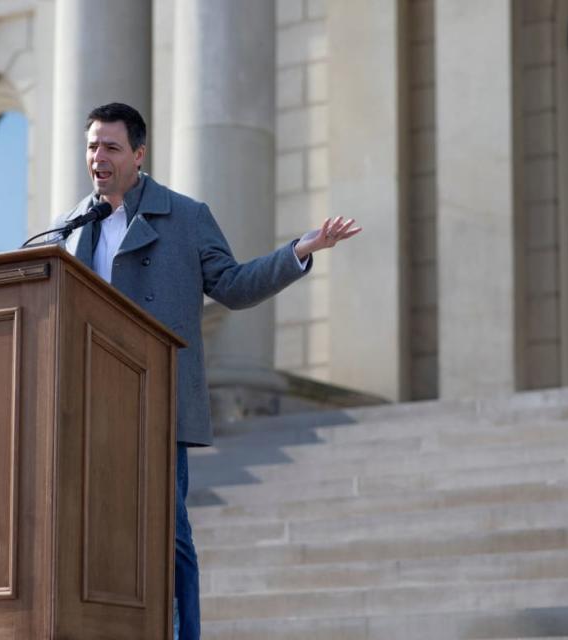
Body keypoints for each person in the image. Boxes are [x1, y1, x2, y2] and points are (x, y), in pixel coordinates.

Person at [52, 102, 360, 639]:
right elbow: (30, 282)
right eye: (91, 146)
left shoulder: (185, 216)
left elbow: (235, 286)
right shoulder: (73, 224)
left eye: (110, 147)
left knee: (169, 535)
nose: (97, 157)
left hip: (155, 397)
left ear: (139, 154)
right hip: (86, 400)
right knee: (92, 530)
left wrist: (299, 251)